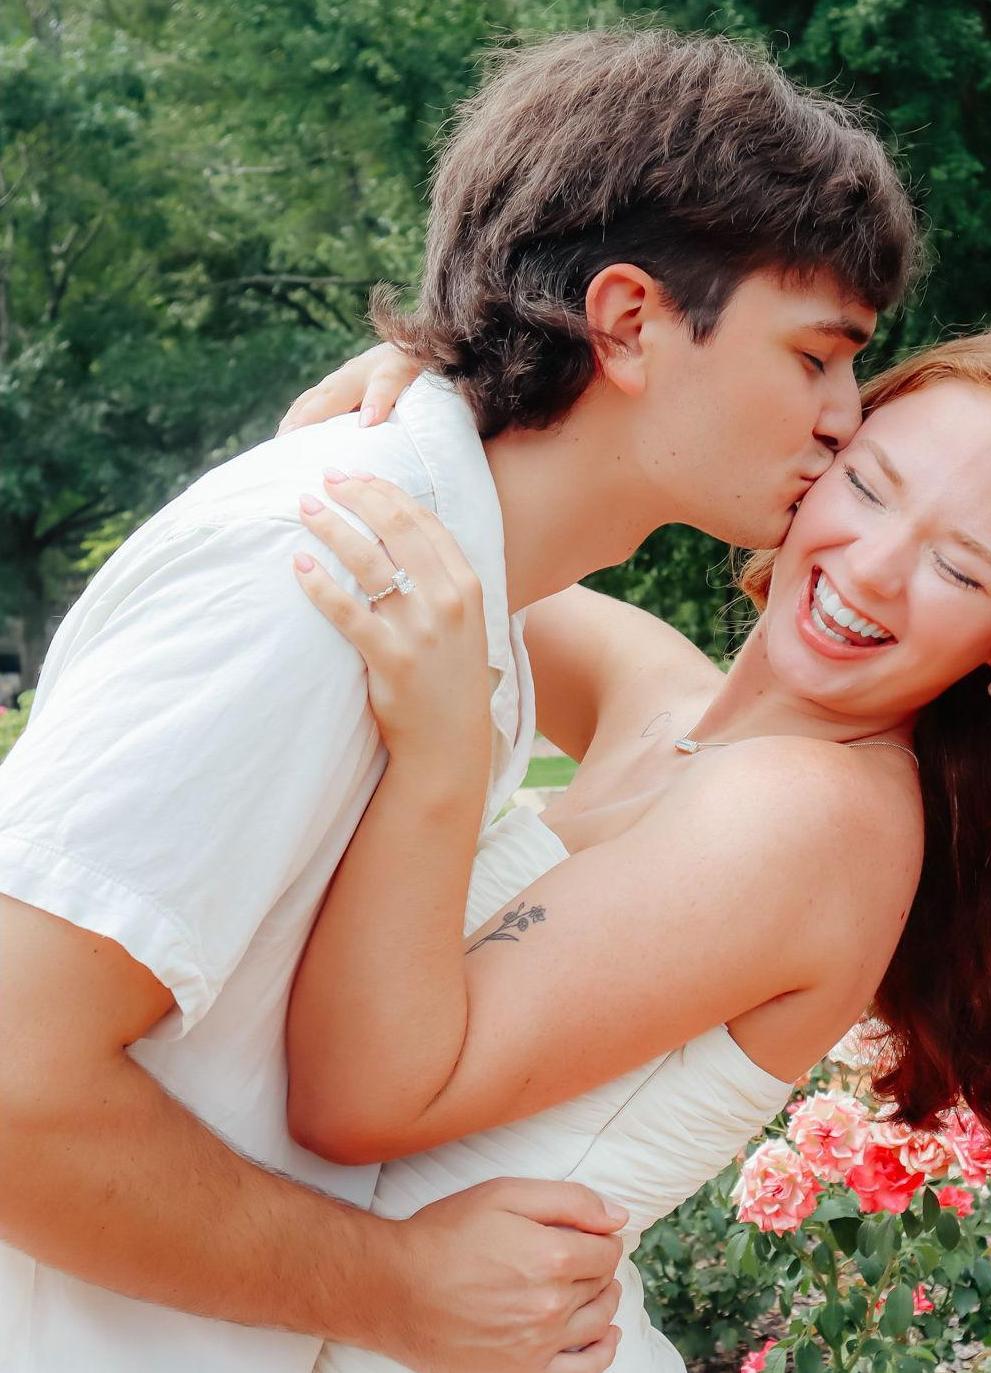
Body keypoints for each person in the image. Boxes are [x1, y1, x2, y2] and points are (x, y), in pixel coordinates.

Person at [0, 29, 916, 1373]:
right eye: (815, 357)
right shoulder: (315, 581)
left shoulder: (440, 585)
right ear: (628, 321)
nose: (846, 418)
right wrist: (391, 1288)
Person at [282, 325, 991, 1371]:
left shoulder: (813, 815)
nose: (871, 569)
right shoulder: (669, 704)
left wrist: (441, 758)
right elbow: (419, 536)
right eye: (866, 486)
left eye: (958, 568)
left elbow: (350, 1097)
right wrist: (426, 407)